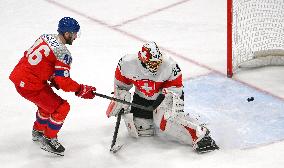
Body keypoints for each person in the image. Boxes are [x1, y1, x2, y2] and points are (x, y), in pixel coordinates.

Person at [106, 41, 219, 153]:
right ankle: (163, 118)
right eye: (152, 63)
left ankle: (199, 134)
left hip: (166, 96)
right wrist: (120, 100)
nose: (156, 65)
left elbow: (176, 90)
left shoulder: (170, 65)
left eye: (157, 62)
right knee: (142, 128)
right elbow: (121, 87)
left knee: (165, 120)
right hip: (141, 98)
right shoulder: (127, 64)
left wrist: (159, 103)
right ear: (143, 60)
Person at [9, 17, 96, 156]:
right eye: (74, 34)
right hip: (31, 85)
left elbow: (38, 61)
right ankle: (49, 139)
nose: (75, 37)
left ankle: (38, 131)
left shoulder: (45, 37)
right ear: (67, 34)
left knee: (47, 105)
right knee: (62, 107)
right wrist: (81, 89)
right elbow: (64, 83)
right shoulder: (63, 53)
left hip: (20, 76)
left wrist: (51, 77)